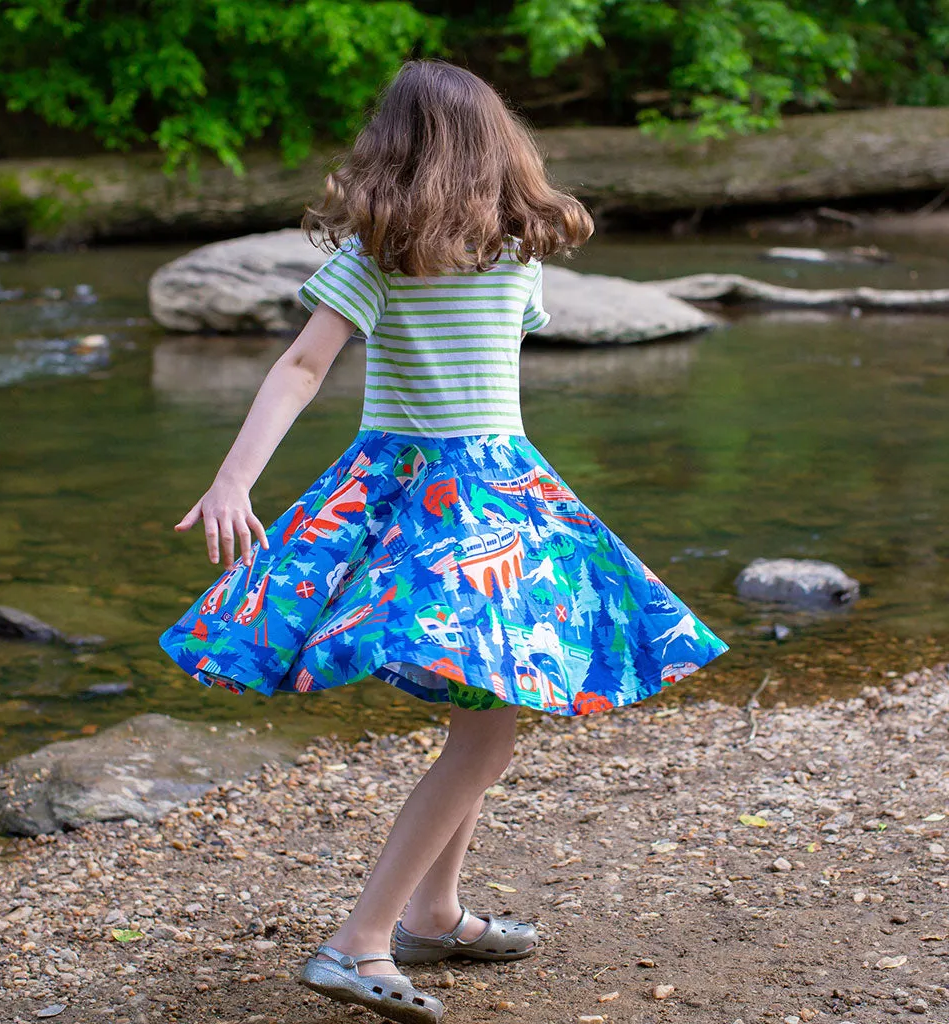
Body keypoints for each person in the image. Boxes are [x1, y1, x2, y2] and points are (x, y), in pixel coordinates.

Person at [160, 59, 728, 1024]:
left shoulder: (381, 250)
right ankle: (359, 941)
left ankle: (433, 912)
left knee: (485, 716)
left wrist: (236, 477)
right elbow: (467, 366)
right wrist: (234, 478)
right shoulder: (517, 249)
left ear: (394, 150)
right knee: (487, 730)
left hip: (426, 496)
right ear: (497, 147)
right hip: (486, 496)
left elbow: (302, 367)